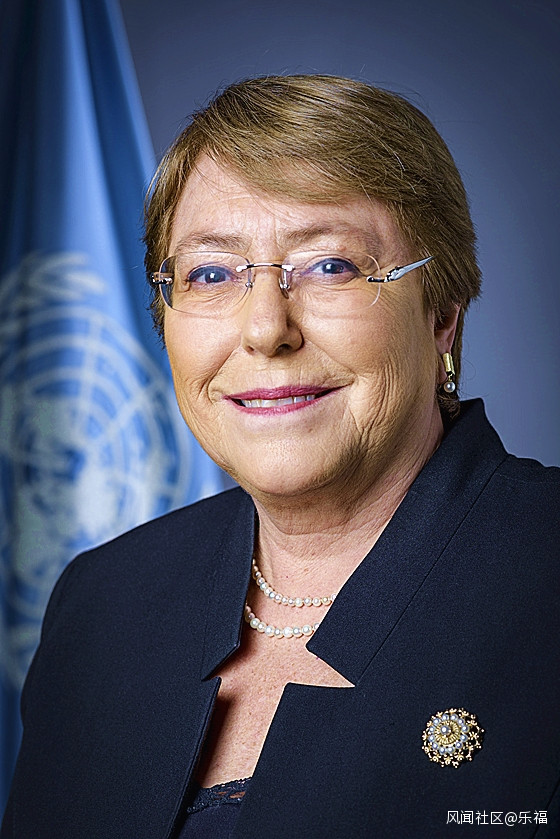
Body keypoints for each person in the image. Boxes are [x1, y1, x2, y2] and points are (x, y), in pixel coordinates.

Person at [2, 75, 559, 838]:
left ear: (442, 314)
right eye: (210, 273)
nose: (266, 328)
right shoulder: (100, 603)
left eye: (330, 265)